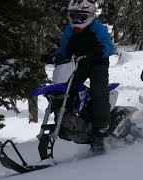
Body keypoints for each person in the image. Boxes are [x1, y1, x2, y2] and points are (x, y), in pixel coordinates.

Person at [40, 0, 114, 154]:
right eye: (73, 16)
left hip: (97, 64)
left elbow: (108, 46)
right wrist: (55, 57)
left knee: (97, 90)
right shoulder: (70, 31)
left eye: (81, 17)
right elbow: (64, 49)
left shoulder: (97, 28)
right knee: (67, 89)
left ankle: (101, 127)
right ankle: (69, 122)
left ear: (91, 15)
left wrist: (99, 50)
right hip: (78, 64)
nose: (76, 20)